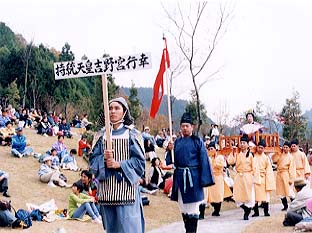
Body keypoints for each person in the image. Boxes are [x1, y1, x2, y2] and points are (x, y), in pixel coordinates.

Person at [89, 97, 145, 233]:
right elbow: (92, 162)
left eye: (117, 108)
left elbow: (139, 164)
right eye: (110, 108)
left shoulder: (132, 134)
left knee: (129, 229)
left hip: (127, 192)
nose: (113, 111)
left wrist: (119, 164)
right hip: (107, 192)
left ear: (124, 112)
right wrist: (103, 159)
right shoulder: (100, 136)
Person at [171, 112, 214, 233]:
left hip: (193, 180)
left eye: (187, 126)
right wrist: (170, 150)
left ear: (192, 127)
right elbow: (173, 162)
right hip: (180, 179)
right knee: (183, 209)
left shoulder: (197, 142)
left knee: (193, 209)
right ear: (180, 127)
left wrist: (204, 180)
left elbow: (204, 161)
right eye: (183, 126)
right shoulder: (177, 142)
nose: (185, 128)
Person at [227, 134, 255, 220]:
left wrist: (253, 177)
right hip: (239, 176)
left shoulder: (251, 155)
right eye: (241, 143)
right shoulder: (237, 154)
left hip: (248, 176)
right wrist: (232, 152)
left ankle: (247, 212)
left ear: (247, 144)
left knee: (248, 194)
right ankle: (246, 209)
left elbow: (254, 167)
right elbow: (230, 161)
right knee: (237, 196)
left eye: (244, 143)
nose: (242, 144)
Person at [252, 139, 275, 217]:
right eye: (259, 147)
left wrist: (269, 180)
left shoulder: (266, 158)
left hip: (264, 178)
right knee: (255, 196)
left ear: (264, 148)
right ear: (257, 147)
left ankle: (266, 211)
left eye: (262, 148)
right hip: (255, 177)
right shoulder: (253, 156)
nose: (260, 149)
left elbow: (269, 170)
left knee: (265, 196)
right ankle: (256, 212)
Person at [272, 141, 295, 211]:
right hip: (279, 174)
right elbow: (274, 159)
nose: (285, 148)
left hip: (286, 174)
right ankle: (285, 206)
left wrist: (291, 179)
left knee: (289, 191)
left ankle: (294, 205)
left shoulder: (291, 157)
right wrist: (277, 153)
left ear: (289, 148)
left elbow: (292, 169)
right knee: (281, 193)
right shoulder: (280, 155)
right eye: (284, 147)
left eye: (286, 147)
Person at [207, 141, 226, 217]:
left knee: (218, 194)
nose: (211, 150)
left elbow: (220, 166)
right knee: (211, 195)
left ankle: (217, 210)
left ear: (215, 149)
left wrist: (214, 161)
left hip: (218, 177)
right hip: (211, 177)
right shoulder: (209, 158)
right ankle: (214, 208)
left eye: (212, 148)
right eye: (209, 149)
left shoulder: (220, 157)